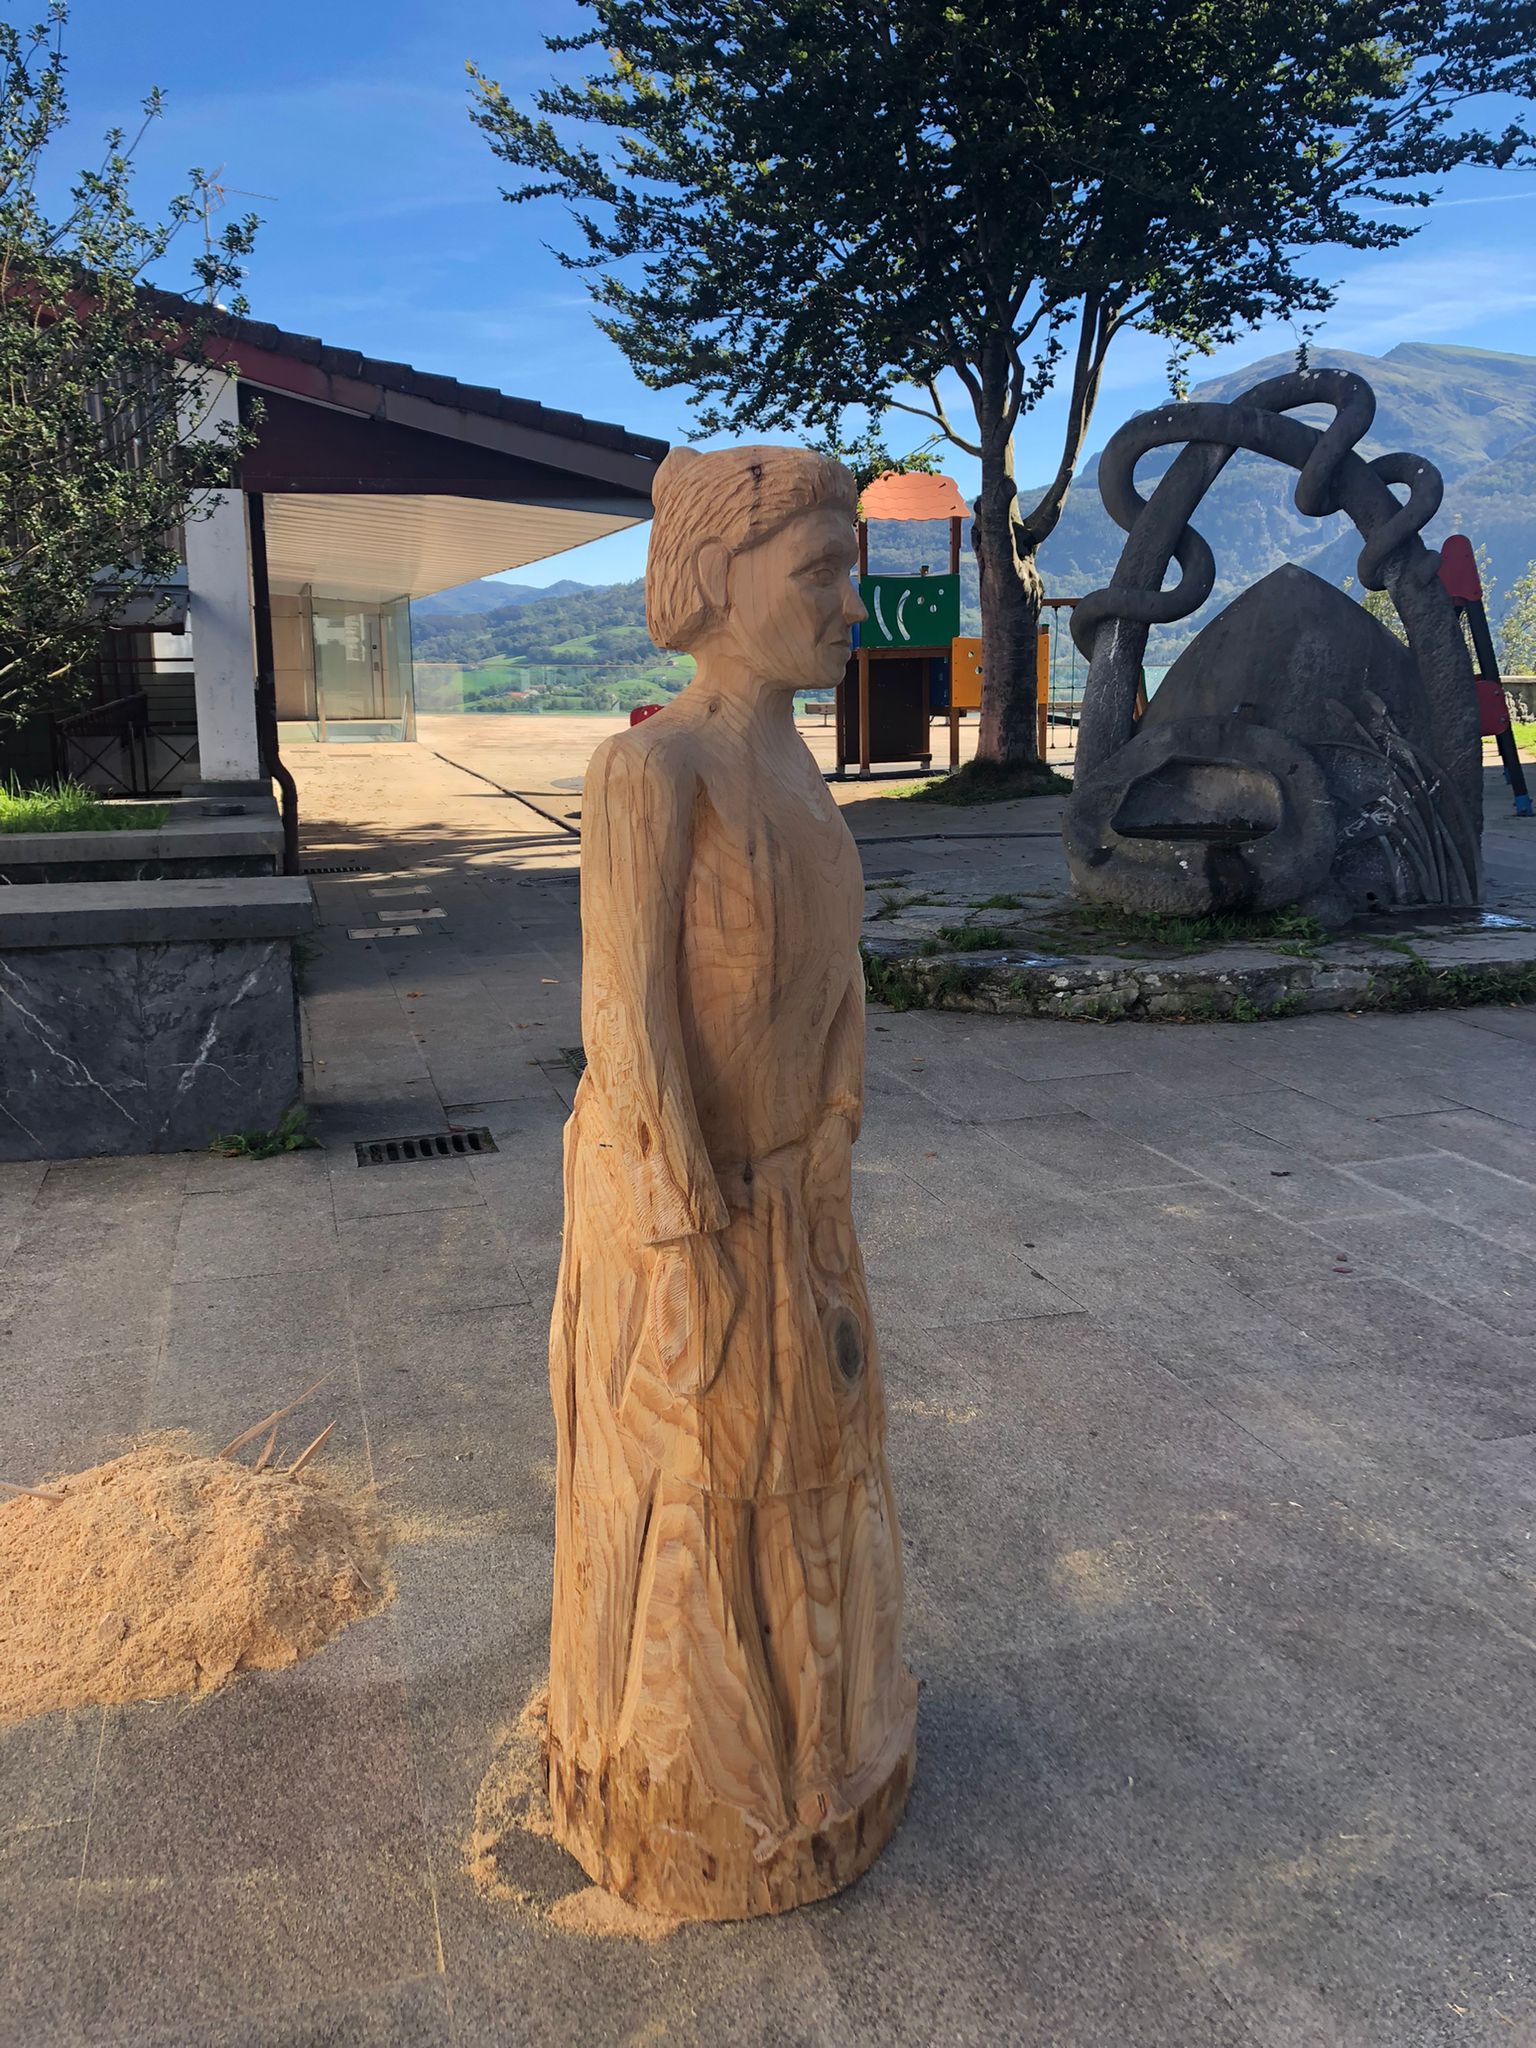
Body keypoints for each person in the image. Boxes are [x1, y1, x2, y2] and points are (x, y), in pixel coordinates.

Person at [545, 444, 917, 1921]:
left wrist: (832, 1131)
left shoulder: (797, 773)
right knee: (696, 1480)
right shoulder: (653, 771)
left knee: (815, 1459)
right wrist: (685, 1222)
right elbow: (626, 1022)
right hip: (680, 1206)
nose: (849, 603)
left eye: (847, 570)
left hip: (796, 1192)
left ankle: (824, 1757)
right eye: (819, 571)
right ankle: (691, 1789)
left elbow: (840, 981)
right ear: (714, 577)